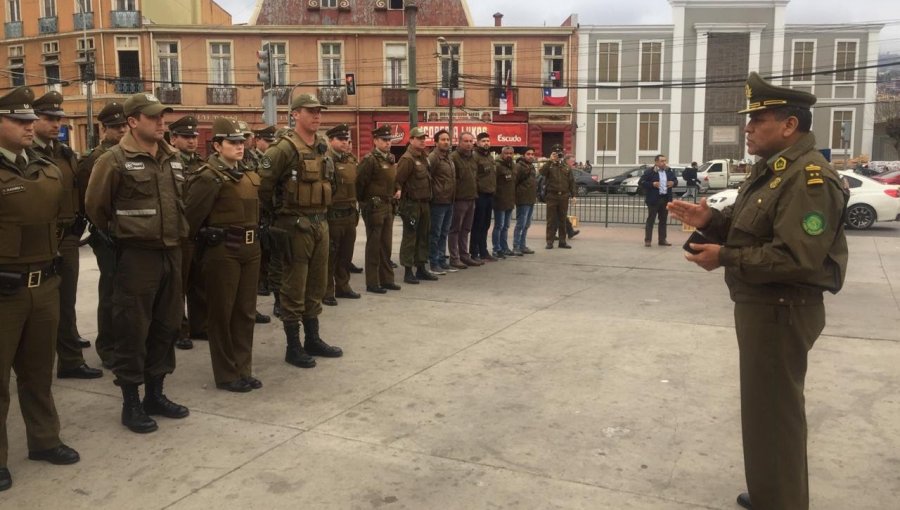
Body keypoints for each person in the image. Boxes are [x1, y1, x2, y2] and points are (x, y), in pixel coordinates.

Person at [668, 72, 848, 510]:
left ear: (789, 125)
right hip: (764, 306)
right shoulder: (775, 171)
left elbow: (795, 258)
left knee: (776, 413)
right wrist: (709, 222)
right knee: (763, 410)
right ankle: (772, 491)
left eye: (757, 119)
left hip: (783, 308)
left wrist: (724, 257)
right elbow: (756, 234)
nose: (747, 128)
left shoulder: (809, 178)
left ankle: (783, 501)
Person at [85, 92, 190, 434]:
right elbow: (96, 209)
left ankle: (155, 395)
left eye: (163, 116)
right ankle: (131, 402)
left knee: (166, 325)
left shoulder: (172, 158)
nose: (162, 122)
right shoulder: (113, 160)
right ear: (133, 121)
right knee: (133, 329)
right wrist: (127, 235)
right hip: (137, 257)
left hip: (172, 252)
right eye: (153, 116)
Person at [0, 86, 81, 493]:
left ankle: (45, 441)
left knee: (37, 372)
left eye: (31, 120)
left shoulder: (46, 165)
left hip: (44, 283)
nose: (30, 127)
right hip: (4, 291)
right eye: (19, 121)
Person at [259, 94, 342, 369]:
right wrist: (276, 219)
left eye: (319, 111)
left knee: (316, 285)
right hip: (294, 226)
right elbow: (262, 187)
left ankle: (313, 338)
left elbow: (330, 182)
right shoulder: (282, 148)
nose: (317, 115)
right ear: (295, 114)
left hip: (320, 223)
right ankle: (293, 346)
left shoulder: (322, 146)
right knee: (294, 286)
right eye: (310, 111)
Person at [184, 118, 262, 393]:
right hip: (223, 252)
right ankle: (227, 373)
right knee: (222, 314)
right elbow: (190, 220)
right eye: (233, 142)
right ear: (217, 145)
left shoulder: (248, 173)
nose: (240, 147)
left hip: (251, 250)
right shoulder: (207, 177)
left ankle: (243, 368)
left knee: (245, 313)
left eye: (242, 142)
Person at [31, 91, 102, 379]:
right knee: (38, 309)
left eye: (58, 119)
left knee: (67, 300)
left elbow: (79, 192)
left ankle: (70, 361)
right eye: (49, 118)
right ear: (33, 119)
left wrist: (80, 222)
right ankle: (36, 368)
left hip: (68, 237)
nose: (55, 124)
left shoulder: (65, 154)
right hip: (36, 240)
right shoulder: (25, 155)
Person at [79, 102, 128, 369]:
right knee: (110, 292)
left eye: (123, 125)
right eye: (115, 126)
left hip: (128, 234)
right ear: (103, 129)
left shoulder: (129, 154)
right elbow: (88, 201)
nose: (121, 130)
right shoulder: (94, 159)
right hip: (106, 234)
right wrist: (100, 230)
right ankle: (107, 347)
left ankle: (124, 343)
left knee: (128, 293)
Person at [167, 115, 207, 351]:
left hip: (198, 230)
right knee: (178, 285)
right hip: (179, 232)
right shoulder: (170, 162)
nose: (192, 141)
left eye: (194, 136)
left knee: (199, 281)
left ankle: (199, 325)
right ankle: (179, 330)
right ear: (174, 139)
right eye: (186, 137)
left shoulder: (200, 162)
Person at [356, 126, 401, 294]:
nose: (388, 143)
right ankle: (372, 282)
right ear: (375, 141)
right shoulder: (370, 160)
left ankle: (387, 279)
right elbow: (359, 183)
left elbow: (394, 179)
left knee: (386, 245)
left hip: (388, 206)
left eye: (389, 140)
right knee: (374, 246)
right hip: (374, 207)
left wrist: (397, 188)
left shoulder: (390, 159)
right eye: (384, 140)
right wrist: (366, 202)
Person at [323, 124, 361, 306]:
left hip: (349, 213)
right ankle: (327, 290)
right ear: (331, 141)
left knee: (346, 254)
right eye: (341, 139)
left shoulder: (350, 160)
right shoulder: (326, 160)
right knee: (330, 255)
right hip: (333, 214)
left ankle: (343, 286)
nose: (345, 143)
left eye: (347, 139)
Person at [396, 127, 437, 284]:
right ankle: (408, 271)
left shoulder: (423, 157)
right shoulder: (407, 159)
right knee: (410, 237)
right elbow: (398, 181)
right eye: (419, 138)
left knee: (423, 236)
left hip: (424, 203)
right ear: (411, 140)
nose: (422, 140)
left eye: (423, 138)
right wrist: (399, 195)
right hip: (411, 204)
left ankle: (421, 268)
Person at [448, 132, 481, 268]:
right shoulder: (453, 157)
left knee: (466, 229)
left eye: (470, 141)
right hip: (459, 199)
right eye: (465, 141)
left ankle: (464, 255)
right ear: (459, 142)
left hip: (471, 198)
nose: (468, 144)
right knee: (455, 229)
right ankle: (454, 257)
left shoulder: (473, 157)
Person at [427, 129, 456, 275]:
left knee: (444, 232)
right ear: (436, 142)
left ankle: (442, 261)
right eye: (443, 139)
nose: (446, 142)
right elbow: (427, 177)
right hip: (438, 202)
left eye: (447, 139)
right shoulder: (433, 157)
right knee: (435, 233)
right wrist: (434, 194)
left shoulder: (448, 157)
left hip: (449, 200)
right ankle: (433, 263)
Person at [254, 125, 278, 298]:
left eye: (272, 141)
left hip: (271, 210)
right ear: (257, 140)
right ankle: (261, 282)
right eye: (267, 141)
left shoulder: (274, 159)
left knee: (270, 249)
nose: (270, 144)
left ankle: (268, 280)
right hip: (259, 211)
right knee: (261, 250)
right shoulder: (251, 158)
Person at [539, 145, 575, 249]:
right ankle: (549, 242)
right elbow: (541, 172)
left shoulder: (566, 167)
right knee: (551, 220)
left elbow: (571, 181)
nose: (558, 156)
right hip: (552, 196)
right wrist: (550, 161)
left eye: (560, 154)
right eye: (556, 154)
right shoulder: (549, 166)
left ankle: (562, 242)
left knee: (562, 220)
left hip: (563, 196)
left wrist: (574, 195)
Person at [641, 154, 677, 247]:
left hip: (665, 199)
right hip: (653, 200)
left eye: (665, 161)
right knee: (651, 220)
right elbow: (641, 182)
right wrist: (653, 184)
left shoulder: (669, 171)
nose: (664, 162)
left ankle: (662, 240)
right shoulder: (650, 172)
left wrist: (673, 183)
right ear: (656, 162)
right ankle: (648, 240)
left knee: (663, 220)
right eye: (662, 161)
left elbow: (675, 180)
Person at [471, 132, 496, 261]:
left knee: (485, 225)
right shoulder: (475, 156)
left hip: (489, 194)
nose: (486, 143)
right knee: (478, 225)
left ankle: (483, 250)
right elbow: (474, 177)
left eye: (488, 140)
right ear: (478, 142)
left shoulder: (490, 157)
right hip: (480, 195)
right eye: (483, 141)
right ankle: (474, 253)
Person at [492, 146, 516, 258]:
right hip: (500, 201)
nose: (509, 155)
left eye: (511, 153)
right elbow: (493, 183)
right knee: (499, 226)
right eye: (506, 153)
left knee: (506, 226)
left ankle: (504, 247)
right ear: (502, 154)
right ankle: (497, 249)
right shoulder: (497, 165)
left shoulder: (512, 165)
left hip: (509, 200)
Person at [512, 147, 537, 255]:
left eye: (532, 154)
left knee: (526, 224)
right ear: (523, 155)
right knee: (521, 224)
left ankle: (523, 245)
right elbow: (514, 182)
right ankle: (516, 246)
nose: (531, 156)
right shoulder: (519, 166)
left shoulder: (531, 166)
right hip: (522, 199)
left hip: (530, 199)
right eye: (528, 154)